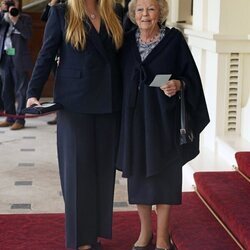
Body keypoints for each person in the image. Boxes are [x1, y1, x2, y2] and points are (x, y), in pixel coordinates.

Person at [26, 0, 123, 249]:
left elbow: (124, 56)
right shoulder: (61, 13)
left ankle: (94, 235)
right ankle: (80, 241)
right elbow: (46, 54)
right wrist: (32, 92)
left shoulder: (114, 12)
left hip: (108, 103)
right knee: (77, 174)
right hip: (74, 104)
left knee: (101, 174)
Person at [116, 0, 210, 249]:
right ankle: (145, 233)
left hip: (164, 121)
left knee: (166, 177)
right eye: (139, 9)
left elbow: (191, 76)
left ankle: (161, 237)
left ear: (160, 13)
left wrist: (179, 84)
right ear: (133, 14)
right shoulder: (125, 42)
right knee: (139, 178)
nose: (145, 14)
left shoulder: (173, 40)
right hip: (136, 120)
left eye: (151, 9)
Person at [0, 0, 33, 130]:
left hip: (19, 57)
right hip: (5, 56)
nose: (10, 5)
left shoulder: (25, 18)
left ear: (18, 4)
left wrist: (15, 20)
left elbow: (28, 34)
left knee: (21, 90)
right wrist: (2, 13)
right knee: (5, 89)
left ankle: (20, 120)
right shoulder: (2, 18)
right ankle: (10, 117)